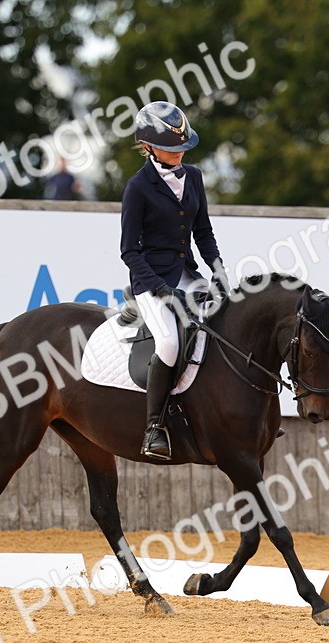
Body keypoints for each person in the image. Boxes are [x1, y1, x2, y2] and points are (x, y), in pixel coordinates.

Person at [120, 100, 226, 461]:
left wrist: (218, 270)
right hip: (151, 281)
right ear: (147, 147)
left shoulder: (193, 177)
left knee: (226, 323)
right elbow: (129, 252)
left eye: (182, 146)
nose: (179, 153)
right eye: (170, 147)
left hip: (187, 274)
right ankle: (154, 427)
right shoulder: (137, 187)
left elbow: (203, 231)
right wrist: (162, 289)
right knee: (168, 344)